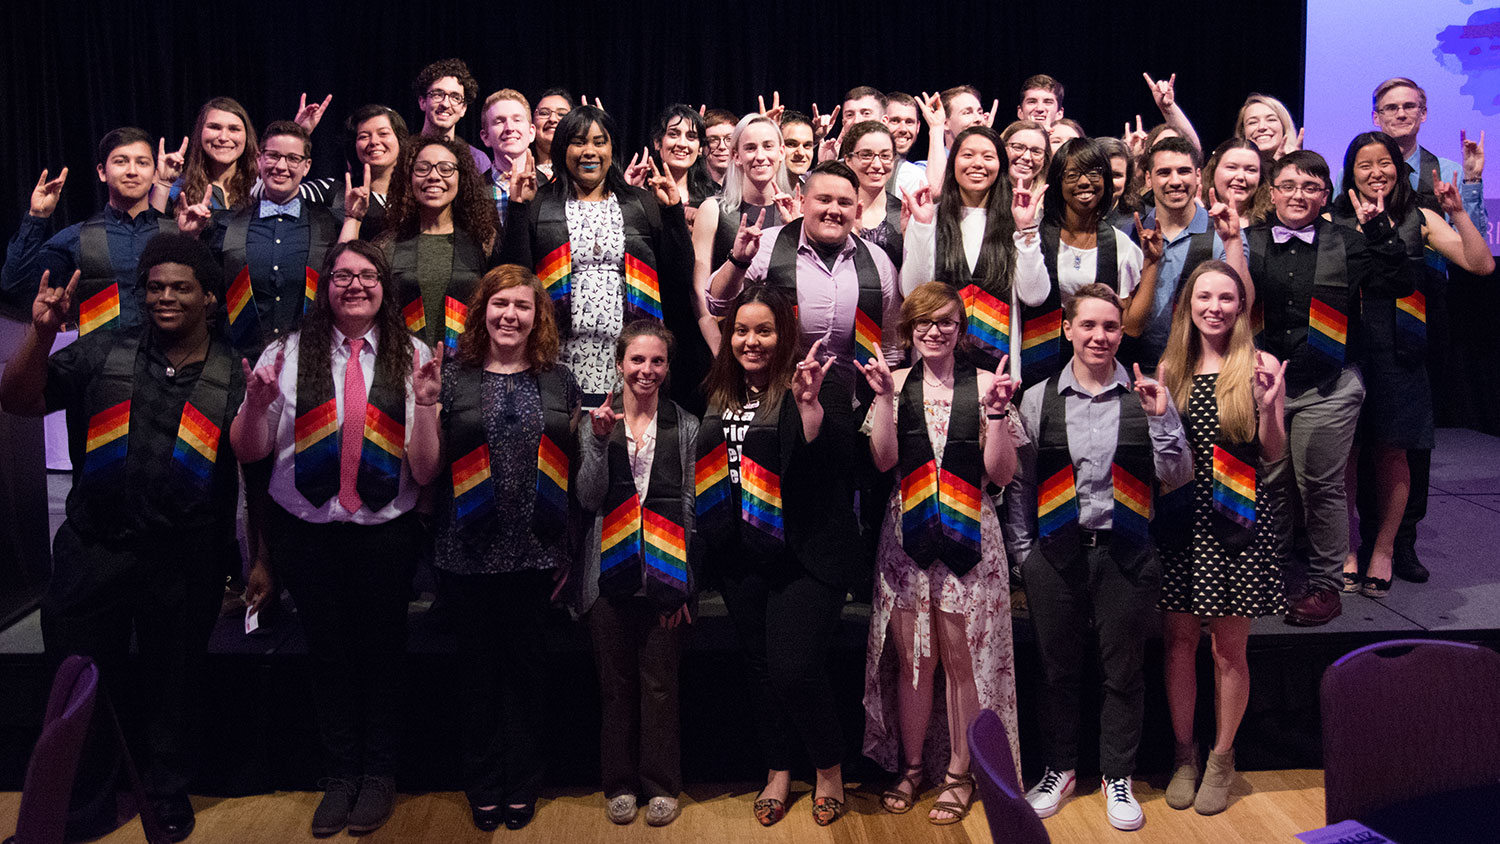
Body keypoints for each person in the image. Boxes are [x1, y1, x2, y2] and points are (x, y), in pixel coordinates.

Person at [0, 234, 241, 843]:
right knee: (78, 675)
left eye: (180, 287)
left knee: (176, 677)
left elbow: (254, 474)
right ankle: (82, 797)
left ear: (208, 298)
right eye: (155, 287)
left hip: (187, 554)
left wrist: (260, 559)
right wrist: (41, 333)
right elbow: (17, 398)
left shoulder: (234, 370)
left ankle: (165, 790)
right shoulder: (100, 351)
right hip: (94, 547)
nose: (165, 297)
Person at [230, 239, 439, 835]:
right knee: (327, 654)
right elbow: (250, 451)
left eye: (367, 275)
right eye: (342, 275)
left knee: (382, 656)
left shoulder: (413, 354)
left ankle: (378, 774)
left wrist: (426, 407)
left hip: (384, 532)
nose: (355, 285)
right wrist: (253, 405)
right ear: (324, 287)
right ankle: (341, 774)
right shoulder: (287, 353)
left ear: (385, 286)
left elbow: (425, 471)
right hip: (307, 531)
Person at [1011, 283, 1193, 832]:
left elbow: (1177, 477)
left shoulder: (1146, 393)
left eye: (1110, 327)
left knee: (1124, 673)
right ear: (1067, 329)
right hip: (1057, 553)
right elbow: (1020, 483)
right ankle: (1061, 769)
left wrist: (1162, 420)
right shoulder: (1039, 397)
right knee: (1056, 671)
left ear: (1121, 333)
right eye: (1088, 325)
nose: (1099, 336)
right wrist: (1025, 555)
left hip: (1126, 552)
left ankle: (1119, 775)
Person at [695, 284, 860, 826]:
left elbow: (836, 465)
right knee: (760, 669)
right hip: (742, 553)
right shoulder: (720, 390)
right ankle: (777, 769)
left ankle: (829, 767)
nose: (751, 341)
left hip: (807, 556)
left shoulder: (818, 382)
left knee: (793, 668)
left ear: (783, 333)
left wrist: (808, 405)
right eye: (741, 330)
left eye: (763, 330)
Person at [860, 282, 1023, 825]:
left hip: (969, 536)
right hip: (906, 538)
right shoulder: (895, 382)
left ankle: (960, 772)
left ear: (961, 328)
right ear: (909, 329)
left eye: (946, 321)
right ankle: (911, 767)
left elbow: (1001, 475)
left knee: (961, 663)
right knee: (914, 662)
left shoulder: (986, 386)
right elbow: (883, 463)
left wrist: (997, 414)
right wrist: (883, 399)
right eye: (924, 322)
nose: (935, 331)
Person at [430, 265, 582, 832]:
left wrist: (566, 547)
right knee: (477, 677)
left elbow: (570, 468)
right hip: (466, 549)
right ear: (482, 311)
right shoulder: (452, 377)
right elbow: (428, 470)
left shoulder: (558, 379)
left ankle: (522, 781)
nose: (510, 315)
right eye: (500, 305)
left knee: (527, 675)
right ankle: (484, 781)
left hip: (537, 551)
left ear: (538, 315)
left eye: (522, 305)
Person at [1247, 150, 1407, 626]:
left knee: (1320, 486)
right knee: (1267, 482)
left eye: (1311, 187)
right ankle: (1267, 576)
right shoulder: (1248, 241)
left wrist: (1378, 228)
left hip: (1329, 381)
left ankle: (1324, 586)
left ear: (1325, 196)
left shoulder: (1347, 241)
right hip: (1262, 382)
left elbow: (1397, 282)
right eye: (1289, 185)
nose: (1299, 195)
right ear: (1271, 192)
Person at [1331, 132, 1492, 597]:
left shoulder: (1418, 217)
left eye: (1384, 163)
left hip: (1401, 351)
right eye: (1364, 164)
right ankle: (1346, 549)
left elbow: (1480, 265)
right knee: (1346, 455)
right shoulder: (1332, 217)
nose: (1376, 171)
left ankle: (1384, 549)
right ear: (1351, 171)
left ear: (1399, 170)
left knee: (1394, 451)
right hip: (1342, 349)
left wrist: (1458, 210)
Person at [1154, 262, 1287, 816]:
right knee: (1180, 644)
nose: (1214, 306)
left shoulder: (1260, 364)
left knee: (1228, 650)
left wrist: (1268, 403)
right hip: (1183, 519)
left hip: (1237, 521)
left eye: (1226, 297)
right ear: (1188, 304)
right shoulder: (1169, 368)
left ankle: (1221, 758)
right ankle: (1184, 754)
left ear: (1240, 306)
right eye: (1204, 296)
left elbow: (1275, 452)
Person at [574, 320, 698, 828]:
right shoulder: (594, 422)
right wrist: (600, 445)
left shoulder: (684, 425)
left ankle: (662, 785)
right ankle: (619, 783)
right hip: (607, 571)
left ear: (668, 369)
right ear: (620, 363)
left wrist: (686, 579)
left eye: (657, 361)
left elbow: (690, 504)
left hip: (664, 575)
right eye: (637, 360)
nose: (646, 370)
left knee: (661, 685)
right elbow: (586, 497)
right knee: (615, 684)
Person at [500, 104, 696, 409]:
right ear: (562, 149)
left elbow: (678, 276)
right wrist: (517, 209)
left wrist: (672, 213)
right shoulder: (540, 203)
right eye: (578, 142)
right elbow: (514, 276)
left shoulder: (640, 203)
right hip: (559, 355)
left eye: (599, 141)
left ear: (611, 148)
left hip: (631, 360)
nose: (589, 151)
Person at [707, 160, 903, 396]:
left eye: (844, 203)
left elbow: (889, 348)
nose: (834, 210)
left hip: (852, 403)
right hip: (775, 397)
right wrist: (738, 262)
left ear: (857, 210)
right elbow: (718, 304)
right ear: (802, 202)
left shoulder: (878, 262)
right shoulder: (766, 245)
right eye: (824, 200)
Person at [901, 125, 1048, 378]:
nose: (978, 164)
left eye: (988, 157)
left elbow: (1034, 295)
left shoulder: (1017, 220)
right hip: (935, 370)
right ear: (953, 162)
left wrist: (1026, 231)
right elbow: (913, 291)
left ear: (1000, 166)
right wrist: (923, 227)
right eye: (967, 155)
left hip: (997, 372)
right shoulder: (929, 217)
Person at [182, 121, 340, 356]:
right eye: (273, 156)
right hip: (237, 360)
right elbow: (198, 286)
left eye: (293, 158)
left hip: (308, 359)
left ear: (306, 166)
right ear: (259, 159)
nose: (281, 166)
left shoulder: (328, 224)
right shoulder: (226, 223)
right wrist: (189, 237)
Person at [3, 128, 180, 335]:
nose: (132, 171)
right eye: (121, 161)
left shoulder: (175, 235)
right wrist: (36, 216)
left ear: (155, 174)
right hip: (101, 361)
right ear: (102, 172)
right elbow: (13, 284)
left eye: (142, 163)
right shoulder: (77, 237)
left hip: (168, 357)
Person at [347, 136, 501, 353]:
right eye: (423, 169)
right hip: (402, 367)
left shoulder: (484, 241)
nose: (434, 177)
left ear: (461, 178)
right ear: (409, 178)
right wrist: (352, 218)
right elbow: (345, 282)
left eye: (446, 169)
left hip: (469, 370)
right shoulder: (386, 244)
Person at [1023, 138, 1144, 387]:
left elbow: (1130, 325)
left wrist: (1153, 263)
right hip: (1039, 365)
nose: (1085, 182)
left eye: (1094, 172)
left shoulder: (1121, 245)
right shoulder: (1033, 236)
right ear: (1057, 181)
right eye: (1072, 174)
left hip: (1099, 368)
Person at [1126, 136, 1249, 370]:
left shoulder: (1222, 233)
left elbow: (1242, 304)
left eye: (1184, 171)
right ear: (1149, 179)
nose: (1175, 181)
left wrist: (1232, 240)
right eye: (1164, 172)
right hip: (1136, 367)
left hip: (1202, 368)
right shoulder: (1130, 233)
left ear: (1198, 176)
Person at [693, 115, 793, 353]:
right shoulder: (713, 210)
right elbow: (698, 290)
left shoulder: (798, 212)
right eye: (750, 148)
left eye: (768, 146)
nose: (760, 156)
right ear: (736, 156)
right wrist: (719, 347)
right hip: (728, 343)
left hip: (784, 347)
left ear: (781, 152)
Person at [167, 97, 259, 213]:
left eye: (234, 129)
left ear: (247, 136)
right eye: (215, 127)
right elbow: (151, 227)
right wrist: (162, 184)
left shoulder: (260, 189)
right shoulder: (178, 189)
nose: (223, 138)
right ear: (200, 132)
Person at [840, 121, 905, 268]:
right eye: (866, 155)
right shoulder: (835, 212)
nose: (876, 164)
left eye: (885, 155)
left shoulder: (904, 214)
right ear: (848, 160)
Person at [412, 58, 491, 175]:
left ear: (463, 109)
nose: (445, 104)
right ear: (422, 102)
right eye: (438, 94)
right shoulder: (402, 154)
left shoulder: (477, 160)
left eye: (455, 97)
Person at [649, 103, 718, 224]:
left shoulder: (714, 197)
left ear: (700, 149)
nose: (682, 143)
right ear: (658, 142)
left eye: (691, 136)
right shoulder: (642, 192)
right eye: (673, 134)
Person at [478, 89, 537, 222]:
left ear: (531, 132)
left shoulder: (551, 188)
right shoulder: (473, 193)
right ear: (485, 137)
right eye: (499, 121)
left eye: (517, 120)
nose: (509, 128)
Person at [1201, 139, 1271, 229]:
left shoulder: (1271, 224)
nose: (1240, 177)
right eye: (1232, 167)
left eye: (1251, 170)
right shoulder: (1195, 217)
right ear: (1213, 171)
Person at [1234, 94, 1302, 160]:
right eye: (1253, 122)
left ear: (1284, 127)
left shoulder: (1301, 168)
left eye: (1271, 120)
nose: (1262, 127)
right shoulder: (1234, 169)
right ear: (1243, 131)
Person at [530, 88, 576, 183]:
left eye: (562, 114)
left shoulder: (580, 170)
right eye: (544, 113)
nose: (552, 119)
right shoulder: (518, 170)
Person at [702, 109, 738, 187]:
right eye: (713, 140)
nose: (722, 146)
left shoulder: (748, 188)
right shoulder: (692, 189)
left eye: (729, 139)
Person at [780, 111, 817, 182]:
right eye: (791, 144)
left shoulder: (808, 189)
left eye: (807, 145)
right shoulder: (761, 190)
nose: (801, 153)